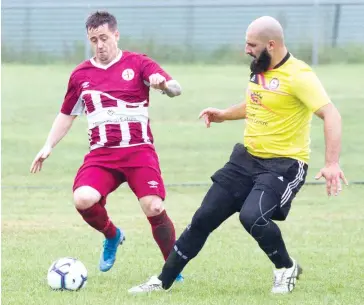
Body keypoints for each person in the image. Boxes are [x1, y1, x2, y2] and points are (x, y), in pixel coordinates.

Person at [128, 16, 348, 294]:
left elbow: (331, 113)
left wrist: (331, 163)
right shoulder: (260, 67)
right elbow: (258, 103)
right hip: (246, 159)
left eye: (251, 44)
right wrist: (224, 115)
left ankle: (286, 267)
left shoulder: (299, 75)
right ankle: (162, 281)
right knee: (204, 216)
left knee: (252, 216)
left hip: (284, 164)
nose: (247, 50)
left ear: (271, 44)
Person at [30, 11, 184, 280]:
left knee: (155, 207)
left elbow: (176, 89)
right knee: (83, 199)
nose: (99, 45)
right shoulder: (81, 75)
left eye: (104, 38)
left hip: (139, 152)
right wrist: (48, 145)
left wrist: (164, 85)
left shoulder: (138, 63)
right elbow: (67, 114)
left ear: (116, 34)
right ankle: (112, 235)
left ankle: (172, 271)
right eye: (93, 39)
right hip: (102, 156)